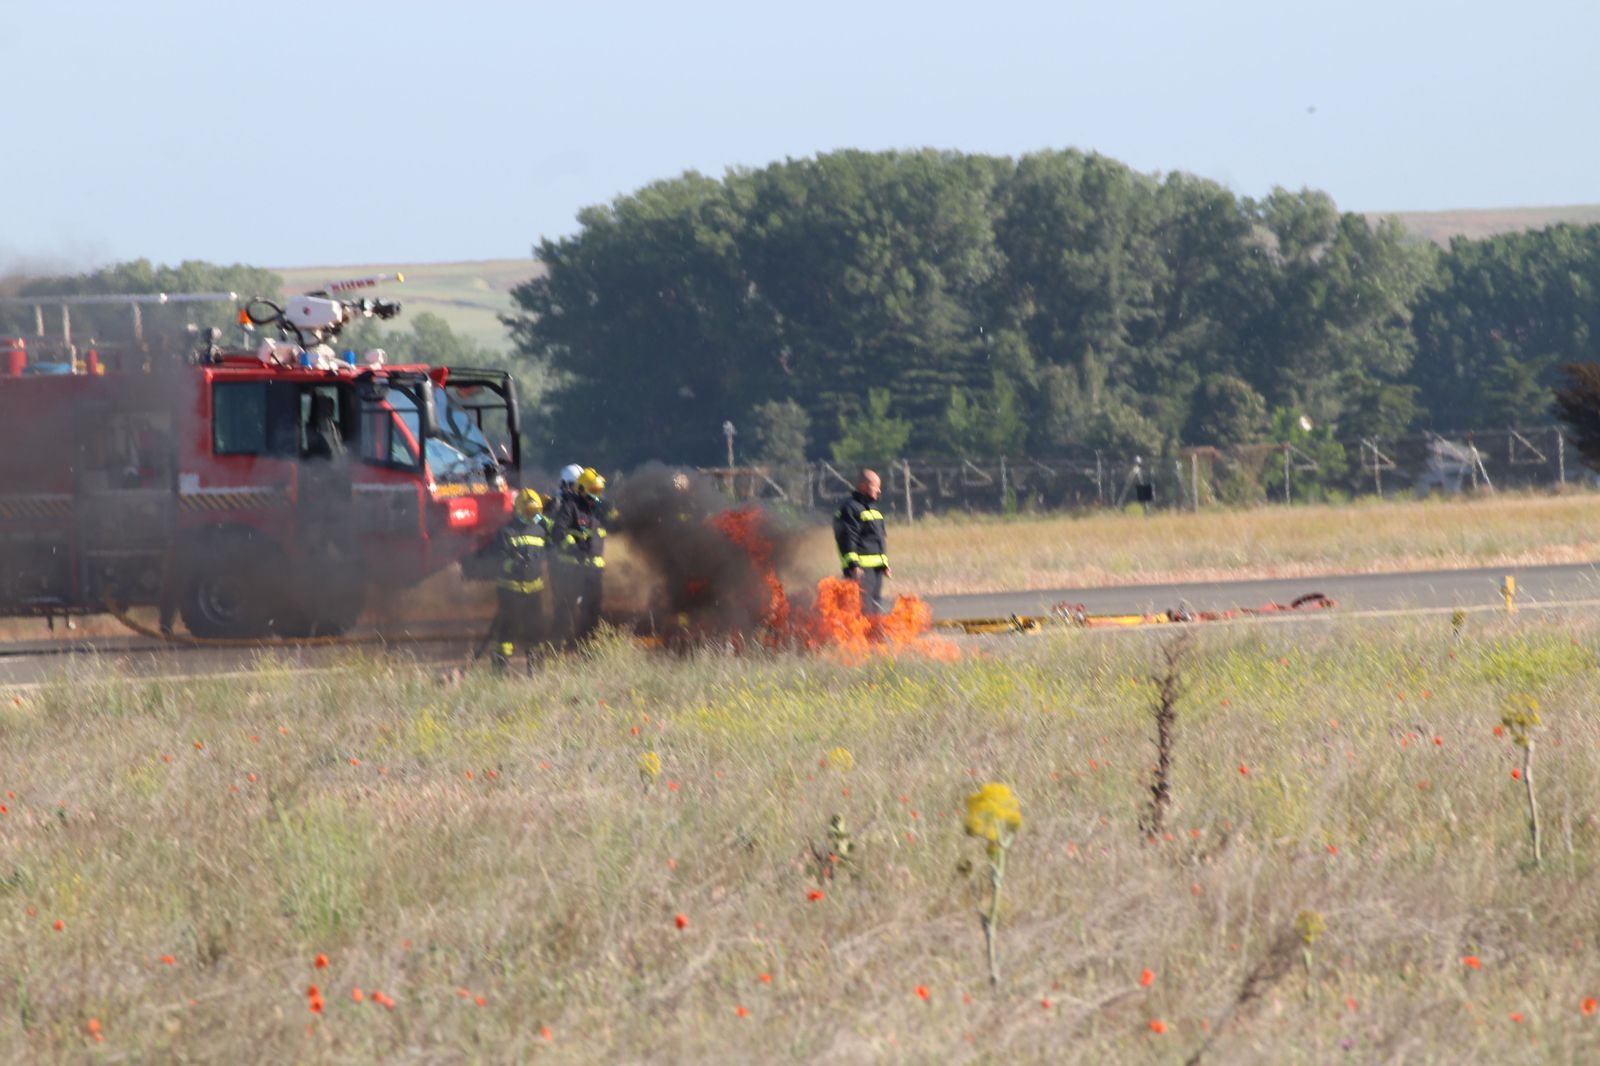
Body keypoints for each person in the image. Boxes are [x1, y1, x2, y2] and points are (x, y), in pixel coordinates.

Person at [489, 488, 550, 672]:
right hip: (510, 590)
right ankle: (499, 670)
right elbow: (497, 560)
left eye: (536, 512)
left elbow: (546, 551)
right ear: (520, 510)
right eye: (530, 511)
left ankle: (536, 670)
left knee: (535, 631)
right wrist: (513, 564)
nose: (533, 515)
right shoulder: (506, 531)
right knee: (506, 630)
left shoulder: (540, 530)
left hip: (534, 590)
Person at [549, 466, 608, 645]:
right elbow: (558, 531)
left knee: (592, 611)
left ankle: (587, 647)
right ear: (582, 489)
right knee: (565, 609)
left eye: (599, 491)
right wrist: (572, 545)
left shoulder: (597, 510)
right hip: (572, 570)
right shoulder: (570, 507)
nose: (596, 495)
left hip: (593, 572)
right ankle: (556, 646)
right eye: (593, 491)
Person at [833, 468, 891, 615]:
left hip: (876, 569)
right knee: (862, 608)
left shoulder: (875, 510)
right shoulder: (850, 508)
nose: (879, 490)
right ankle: (860, 637)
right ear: (863, 486)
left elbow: (880, 538)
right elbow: (848, 538)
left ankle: (874, 636)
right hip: (861, 570)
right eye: (875, 486)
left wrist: (884, 563)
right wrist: (853, 565)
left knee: (875, 605)